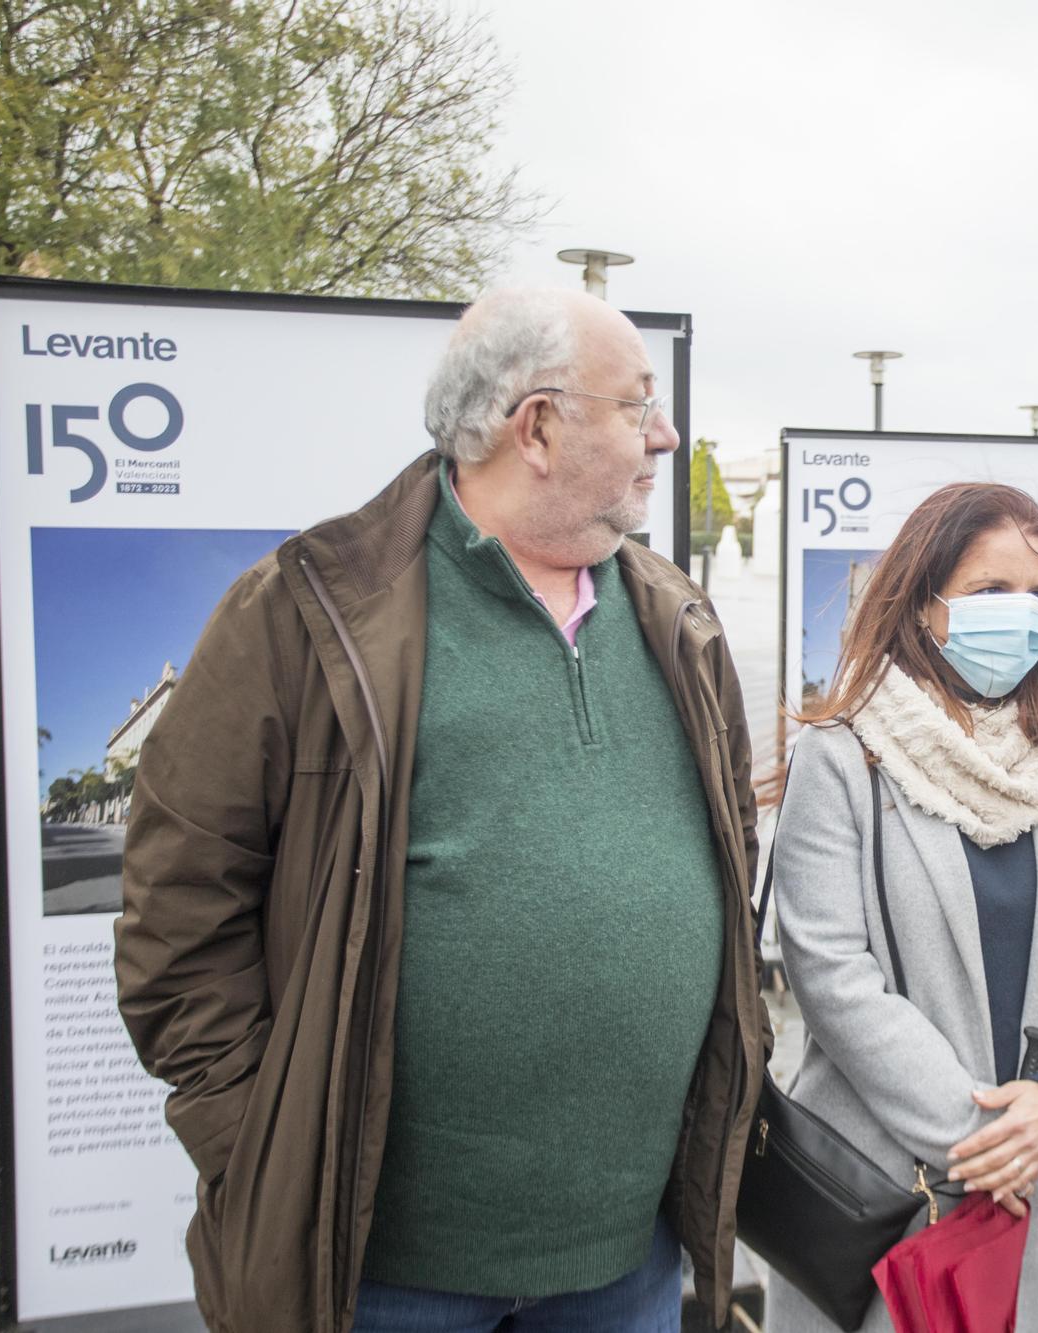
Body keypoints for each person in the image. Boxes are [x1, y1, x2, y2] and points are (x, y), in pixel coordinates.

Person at [114, 287, 768, 1333]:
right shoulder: (306, 608)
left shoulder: (675, 616)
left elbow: (726, 860)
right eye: (635, 402)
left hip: (625, 1257)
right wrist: (260, 1141)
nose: (665, 432)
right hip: (381, 1271)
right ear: (538, 425)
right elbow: (177, 912)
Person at [766, 483, 1038, 1331]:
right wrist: (980, 1141)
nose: (1021, 614)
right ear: (923, 602)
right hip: (893, 1184)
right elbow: (830, 970)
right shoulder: (843, 756)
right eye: (989, 592)